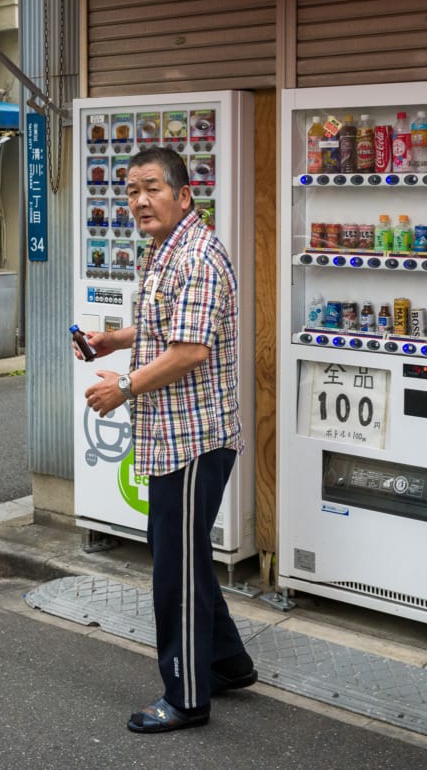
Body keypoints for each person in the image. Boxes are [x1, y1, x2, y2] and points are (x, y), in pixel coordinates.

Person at [76, 146, 256, 734]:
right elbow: (165, 327)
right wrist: (113, 341)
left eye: (152, 188)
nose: (139, 200)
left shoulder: (199, 255)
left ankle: (186, 697)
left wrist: (122, 387)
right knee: (182, 552)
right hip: (171, 434)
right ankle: (228, 663)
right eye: (131, 190)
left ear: (184, 195)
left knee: (174, 568)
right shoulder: (165, 248)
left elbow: (190, 351)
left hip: (193, 439)